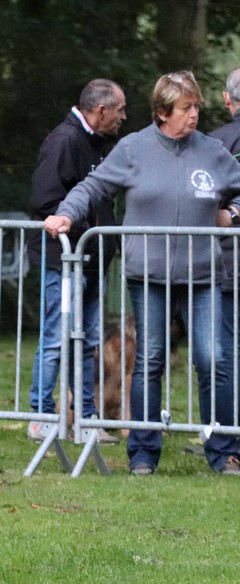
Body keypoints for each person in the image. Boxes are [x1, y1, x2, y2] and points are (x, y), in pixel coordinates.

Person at [45, 71, 240, 475]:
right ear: (163, 111)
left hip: (203, 276)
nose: (194, 115)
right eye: (186, 108)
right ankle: (143, 453)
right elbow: (91, 188)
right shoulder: (133, 149)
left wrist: (233, 214)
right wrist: (66, 214)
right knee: (149, 360)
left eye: (197, 107)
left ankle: (223, 451)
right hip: (148, 277)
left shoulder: (214, 152)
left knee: (214, 359)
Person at [26, 79, 127, 445]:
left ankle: (85, 418)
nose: (123, 117)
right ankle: (40, 416)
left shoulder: (98, 143)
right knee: (56, 338)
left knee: (87, 342)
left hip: (92, 260)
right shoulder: (64, 141)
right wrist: (83, 231)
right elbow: (45, 200)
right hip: (65, 260)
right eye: (120, 110)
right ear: (101, 110)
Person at [208, 67, 240, 418]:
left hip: (229, 259)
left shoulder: (214, 143)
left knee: (228, 345)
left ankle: (229, 430)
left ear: (226, 98)